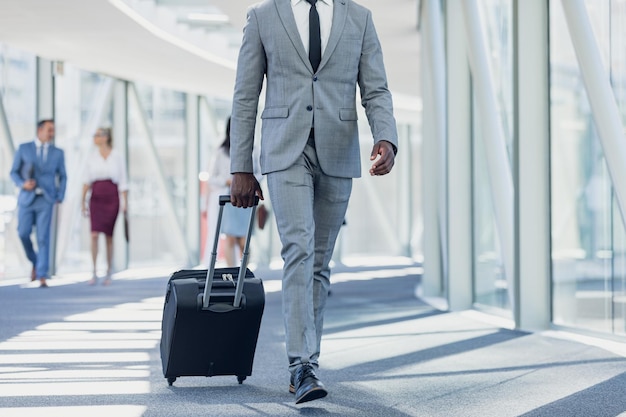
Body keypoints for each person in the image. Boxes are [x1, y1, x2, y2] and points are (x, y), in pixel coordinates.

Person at [229, 0, 398, 405]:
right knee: (299, 249)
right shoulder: (264, 16)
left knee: (319, 261)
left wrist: (386, 137)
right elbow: (245, 94)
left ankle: (308, 363)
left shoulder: (359, 18)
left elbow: (375, 88)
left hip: (338, 151)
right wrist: (241, 165)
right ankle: (300, 365)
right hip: (285, 150)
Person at [9, 119, 67, 288]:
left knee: (43, 237)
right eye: (49, 130)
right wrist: (22, 184)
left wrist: (60, 195)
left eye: (53, 130)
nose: (52, 134)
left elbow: (63, 176)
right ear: (40, 130)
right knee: (23, 233)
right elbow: (13, 172)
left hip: (47, 199)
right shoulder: (24, 148)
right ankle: (35, 261)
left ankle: (42, 274)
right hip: (27, 198)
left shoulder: (58, 153)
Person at [81, 127, 128, 286]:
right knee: (94, 234)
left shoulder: (117, 156)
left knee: (109, 235)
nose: (94, 138)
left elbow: (123, 181)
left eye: (97, 135)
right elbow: (86, 181)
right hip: (96, 197)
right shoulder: (91, 157)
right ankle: (94, 271)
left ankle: (108, 271)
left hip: (112, 196)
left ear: (106, 137)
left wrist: (125, 202)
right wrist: (83, 201)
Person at [207, 117, 253, 267]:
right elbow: (212, 177)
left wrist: (248, 181)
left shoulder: (253, 148)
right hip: (229, 197)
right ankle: (232, 272)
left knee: (243, 239)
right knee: (230, 237)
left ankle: (244, 274)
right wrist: (227, 180)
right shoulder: (221, 151)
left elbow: (260, 172)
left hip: (246, 196)